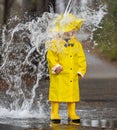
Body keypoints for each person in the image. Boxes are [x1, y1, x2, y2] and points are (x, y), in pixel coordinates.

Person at [46, 13, 87, 125]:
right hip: (59, 74)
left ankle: (72, 112)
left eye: (74, 29)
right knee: (57, 93)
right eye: (69, 30)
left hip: (71, 74)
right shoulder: (54, 43)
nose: (72, 32)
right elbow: (50, 57)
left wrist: (81, 70)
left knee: (72, 94)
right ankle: (54, 112)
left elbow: (81, 58)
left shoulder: (77, 44)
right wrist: (56, 66)